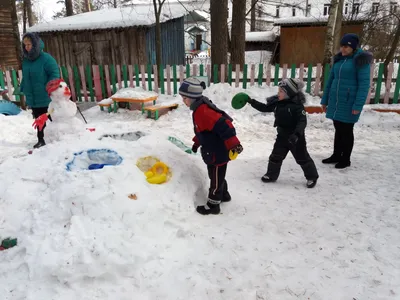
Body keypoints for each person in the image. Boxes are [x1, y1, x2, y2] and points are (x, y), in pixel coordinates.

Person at [179, 77, 243, 215]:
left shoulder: (203, 111)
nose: (183, 101)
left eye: (185, 98)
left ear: (193, 97)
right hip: (213, 150)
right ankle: (224, 195)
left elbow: (224, 125)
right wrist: (197, 142)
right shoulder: (199, 108)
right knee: (217, 176)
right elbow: (204, 131)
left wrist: (234, 144)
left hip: (217, 152)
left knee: (215, 178)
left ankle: (213, 205)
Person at [246, 78, 319, 188]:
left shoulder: (297, 106)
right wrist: (251, 101)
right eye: (278, 90)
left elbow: (302, 122)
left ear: (288, 93)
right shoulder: (278, 103)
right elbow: (265, 108)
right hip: (282, 136)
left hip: (296, 138)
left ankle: (312, 177)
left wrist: (297, 135)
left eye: (281, 91)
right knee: (275, 156)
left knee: (302, 158)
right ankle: (271, 175)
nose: (278, 93)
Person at [321, 33, 373, 169]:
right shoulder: (338, 60)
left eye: (346, 47)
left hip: (349, 102)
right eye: (342, 46)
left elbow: (364, 85)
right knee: (338, 128)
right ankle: (336, 155)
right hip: (336, 101)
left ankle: (346, 159)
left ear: (353, 48)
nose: (343, 49)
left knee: (346, 130)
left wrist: (358, 105)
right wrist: (325, 100)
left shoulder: (360, 61)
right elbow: (330, 81)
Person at [20, 32, 60, 148]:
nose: (27, 47)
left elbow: (54, 74)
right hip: (33, 96)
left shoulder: (46, 59)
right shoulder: (26, 60)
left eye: (29, 44)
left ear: (36, 45)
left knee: (50, 118)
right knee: (38, 120)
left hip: (45, 96)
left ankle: (57, 139)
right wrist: (23, 87)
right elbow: (26, 77)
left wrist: (49, 86)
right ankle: (41, 139)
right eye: (25, 45)